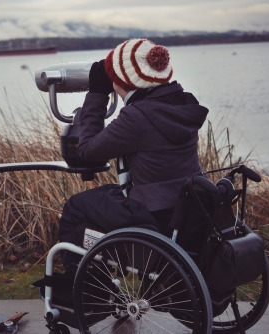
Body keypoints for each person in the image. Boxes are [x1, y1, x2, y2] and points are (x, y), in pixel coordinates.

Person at [58, 38, 210, 269]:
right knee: (103, 198)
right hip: (186, 208)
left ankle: (79, 289)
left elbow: (87, 150)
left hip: (153, 215)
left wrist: (97, 93)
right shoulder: (184, 103)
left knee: (77, 207)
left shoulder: (137, 118)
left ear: (120, 82)